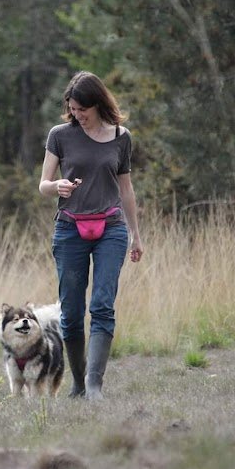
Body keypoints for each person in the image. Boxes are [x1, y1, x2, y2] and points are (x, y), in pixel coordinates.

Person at [39, 71, 143, 401]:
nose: (78, 116)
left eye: (82, 110)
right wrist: (57, 186)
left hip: (111, 228)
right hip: (70, 228)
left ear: (97, 104)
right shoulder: (60, 135)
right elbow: (43, 184)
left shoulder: (121, 137)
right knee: (70, 312)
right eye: (72, 110)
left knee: (102, 305)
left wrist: (135, 235)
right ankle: (78, 384)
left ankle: (95, 386)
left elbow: (126, 190)